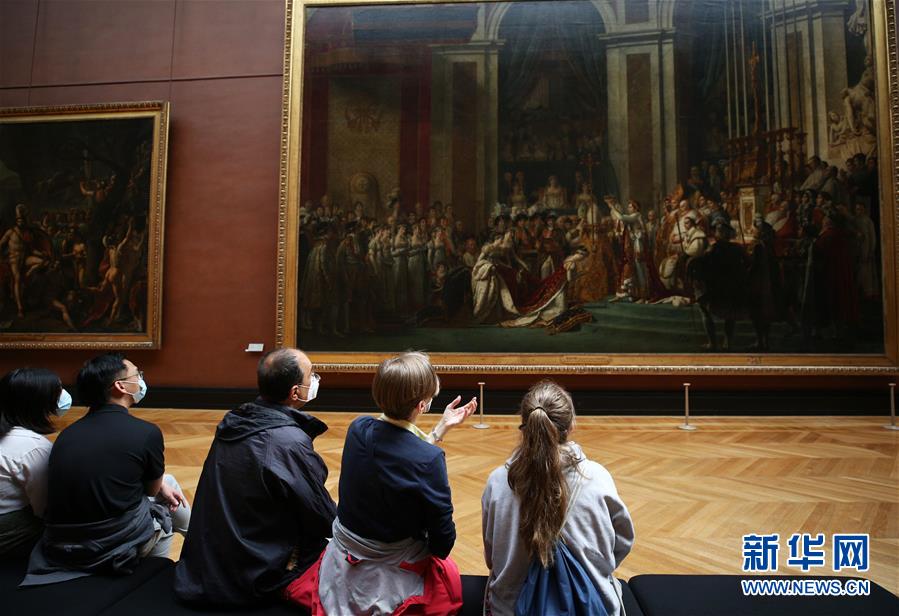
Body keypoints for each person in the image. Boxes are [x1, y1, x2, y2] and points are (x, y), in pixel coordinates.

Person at [287, 351, 477, 614]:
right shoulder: (429, 459)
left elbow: (396, 453)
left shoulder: (358, 428)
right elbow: (442, 543)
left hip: (343, 556)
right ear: (422, 406)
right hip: (390, 567)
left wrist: (439, 430)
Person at [175, 348, 336, 607]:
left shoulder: (235, 420)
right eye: (312, 374)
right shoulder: (287, 442)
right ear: (295, 392)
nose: (316, 379)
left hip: (210, 566)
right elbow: (322, 518)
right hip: (254, 576)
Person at [22, 353, 190, 586]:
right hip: (109, 544)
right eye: (137, 374)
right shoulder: (146, 432)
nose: (141, 379)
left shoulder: (67, 434)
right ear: (121, 386)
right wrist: (159, 483)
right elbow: (151, 491)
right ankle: (155, 574)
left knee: (165, 482)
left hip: (62, 543)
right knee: (167, 494)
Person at [481, 380, 634, 616]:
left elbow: (492, 557)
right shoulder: (597, 477)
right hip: (589, 608)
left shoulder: (498, 481)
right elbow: (622, 542)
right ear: (571, 425)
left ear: (524, 427)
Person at [0, 368, 69, 556]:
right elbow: (44, 508)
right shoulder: (33, 447)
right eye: (58, 390)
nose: (63, 395)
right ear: (39, 401)